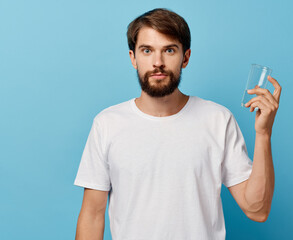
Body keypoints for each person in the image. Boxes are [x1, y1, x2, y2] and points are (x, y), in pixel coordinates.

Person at [74, 8, 282, 240]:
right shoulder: (107, 124)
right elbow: (92, 215)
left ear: (185, 57)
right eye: (147, 50)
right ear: (133, 58)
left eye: (169, 50)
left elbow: (258, 210)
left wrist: (263, 133)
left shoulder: (217, 120)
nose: (158, 62)